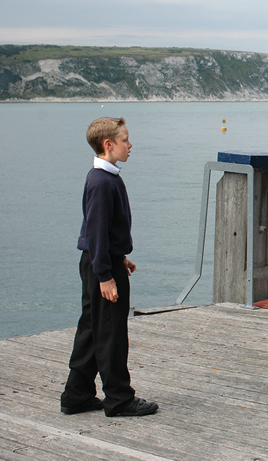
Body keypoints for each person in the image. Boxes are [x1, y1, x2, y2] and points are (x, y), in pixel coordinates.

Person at [60, 117, 159, 417]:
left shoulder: (104, 177)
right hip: (101, 267)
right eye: (125, 140)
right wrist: (106, 275)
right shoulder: (103, 181)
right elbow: (96, 232)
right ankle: (119, 398)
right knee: (112, 333)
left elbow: (101, 232)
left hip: (100, 261)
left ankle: (76, 395)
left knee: (92, 329)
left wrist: (118, 257)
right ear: (109, 144)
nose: (130, 145)